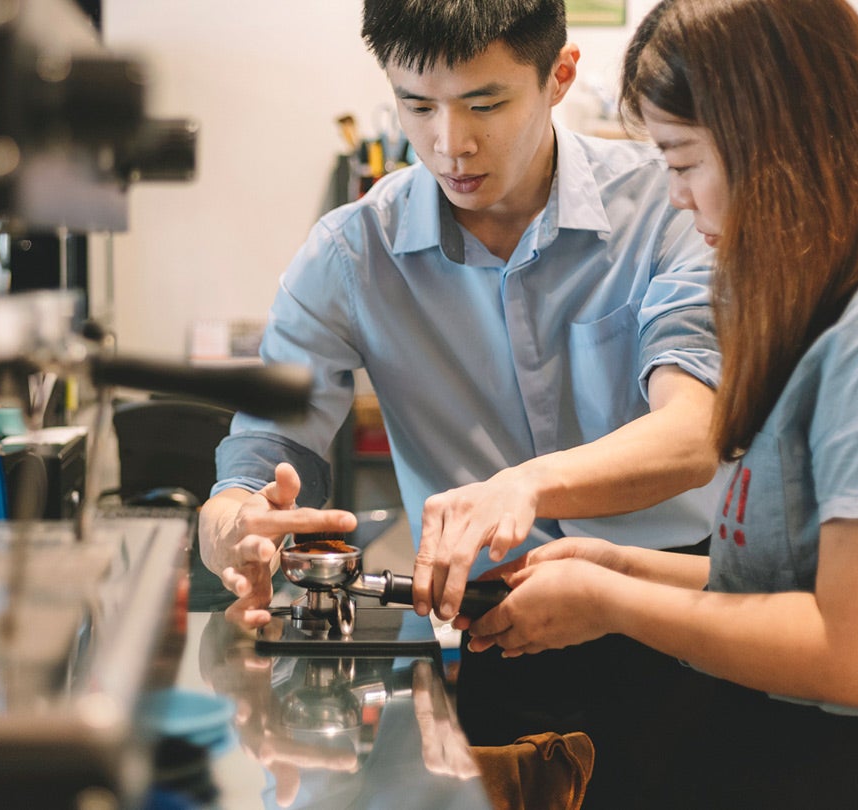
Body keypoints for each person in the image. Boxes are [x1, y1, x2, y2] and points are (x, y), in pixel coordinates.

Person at [460, 0, 858, 807]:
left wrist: (612, 602)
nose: (678, 197)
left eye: (685, 161)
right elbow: (817, 587)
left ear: (777, 142)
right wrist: (616, 567)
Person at [198, 2, 729, 804]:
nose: (450, 143)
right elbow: (269, 445)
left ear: (559, 77)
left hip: (677, 619)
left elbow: (695, 433)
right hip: (494, 642)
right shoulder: (352, 252)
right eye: (417, 106)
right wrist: (234, 524)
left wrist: (524, 484)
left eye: (484, 103)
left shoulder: (671, 207)